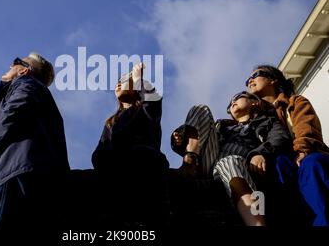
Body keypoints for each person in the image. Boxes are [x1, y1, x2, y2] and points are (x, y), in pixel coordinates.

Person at [0, 53, 70, 227]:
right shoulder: (41, 98)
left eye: (17, 62)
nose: (11, 63)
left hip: (10, 169)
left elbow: (16, 108)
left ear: (24, 70)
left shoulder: (26, 83)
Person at [171, 91, 291, 226]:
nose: (232, 102)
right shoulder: (222, 127)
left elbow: (279, 138)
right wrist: (180, 138)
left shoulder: (267, 121)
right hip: (210, 163)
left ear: (254, 102)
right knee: (200, 109)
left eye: (238, 97)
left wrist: (259, 153)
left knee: (229, 161)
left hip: (241, 165)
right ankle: (189, 164)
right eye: (229, 104)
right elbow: (200, 136)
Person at [246, 64, 329, 226]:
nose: (250, 80)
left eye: (257, 75)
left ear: (273, 80)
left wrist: (302, 150)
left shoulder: (295, 102)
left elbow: (306, 127)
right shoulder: (254, 117)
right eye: (248, 79)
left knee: (311, 164)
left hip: (306, 156)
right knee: (277, 168)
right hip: (279, 164)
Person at [92, 63, 169, 226]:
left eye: (125, 80)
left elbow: (153, 101)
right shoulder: (110, 122)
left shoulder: (147, 110)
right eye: (118, 81)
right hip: (116, 175)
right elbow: (99, 151)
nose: (118, 83)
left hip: (144, 167)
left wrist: (139, 79)